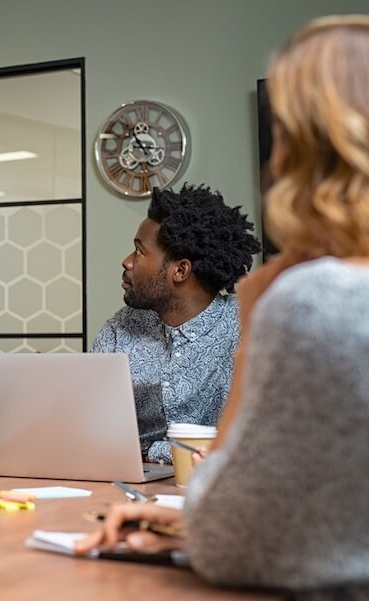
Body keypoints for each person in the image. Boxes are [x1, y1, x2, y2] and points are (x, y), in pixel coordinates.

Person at [77, 16, 369, 597]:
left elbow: (244, 534)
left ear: (301, 148)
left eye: (282, 129)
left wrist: (260, 323)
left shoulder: (313, 302)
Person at [90, 185, 261, 463]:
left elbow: (251, 443)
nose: (127, 262)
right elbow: (87, 425)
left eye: (139, 252)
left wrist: (150, 450)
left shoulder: (248, 329)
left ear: (180, 271)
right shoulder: (120, 329)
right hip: (127, 489)